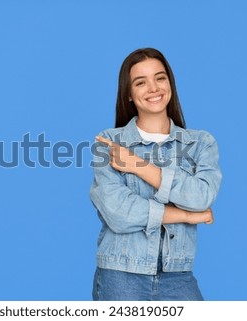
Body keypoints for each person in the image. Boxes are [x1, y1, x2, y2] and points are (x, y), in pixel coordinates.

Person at [90, 48, 222, 301]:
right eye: (140, 82)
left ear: (170, 83)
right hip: (121, 274)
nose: (153, 88)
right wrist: (185, 215)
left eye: (160, 78)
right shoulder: (108, 142)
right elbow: (118, 212)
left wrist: (138, 165)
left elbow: (201, 196)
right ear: (128, 94)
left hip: (178, 275)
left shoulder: (200, 143)